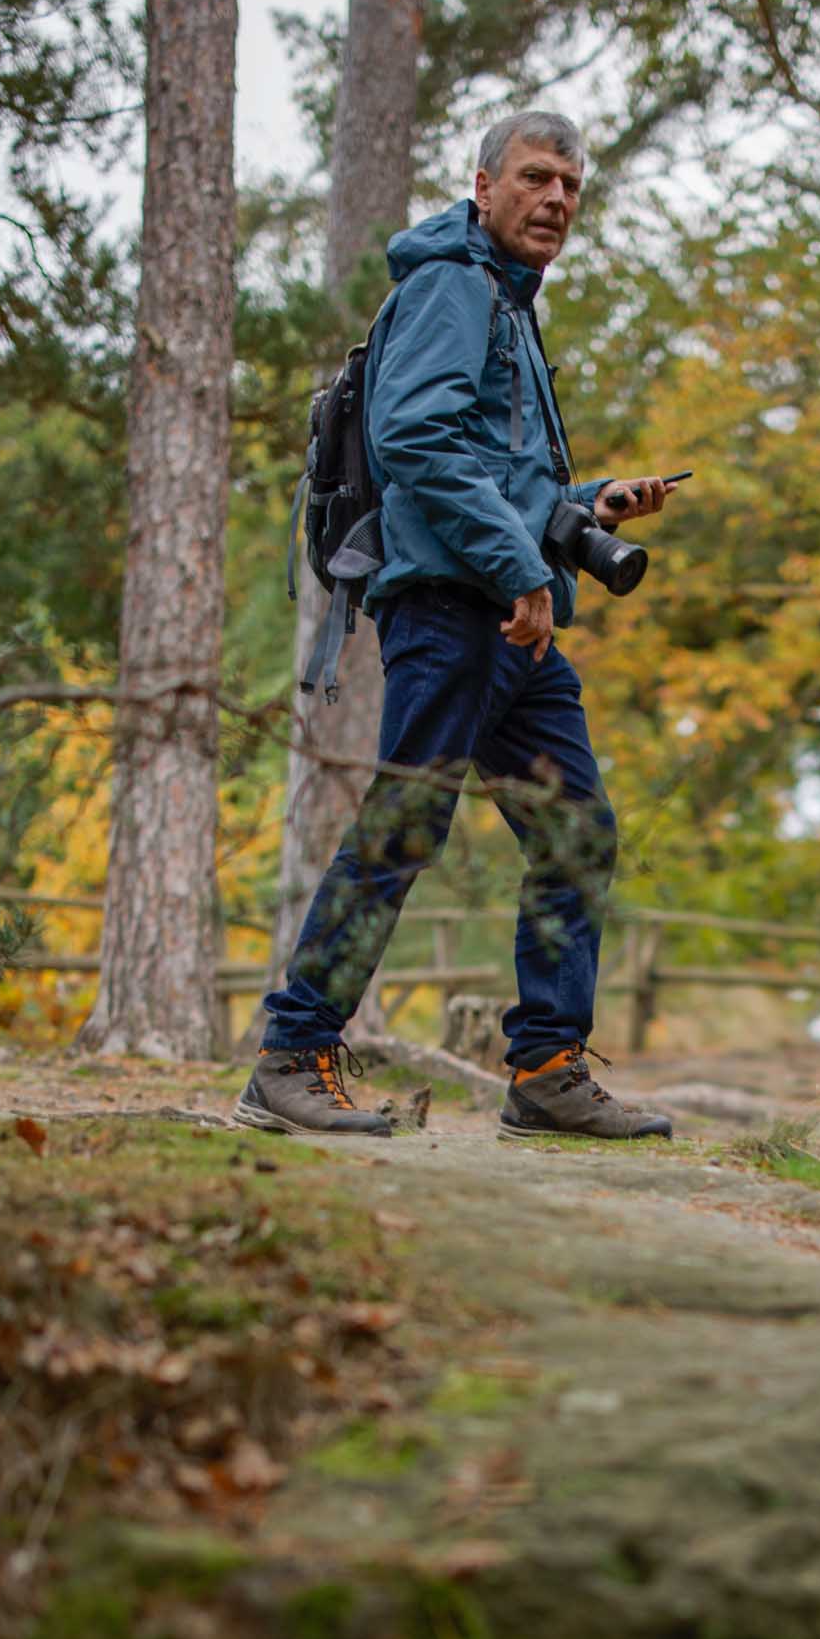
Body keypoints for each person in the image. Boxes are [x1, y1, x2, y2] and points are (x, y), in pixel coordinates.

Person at [235, 109, 676, 1142]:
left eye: (570, 186)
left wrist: (592, 503)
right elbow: (417, 440)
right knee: (403, 827)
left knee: (574, 830)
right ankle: (291, 1057)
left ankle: (547, 1070)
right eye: (534, 178)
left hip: (514, 622)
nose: (555, 199)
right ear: (482, 187)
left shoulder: (509, 305)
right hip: (453, 610)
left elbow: (502, 476)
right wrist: (522, 566)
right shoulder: (451, 284)